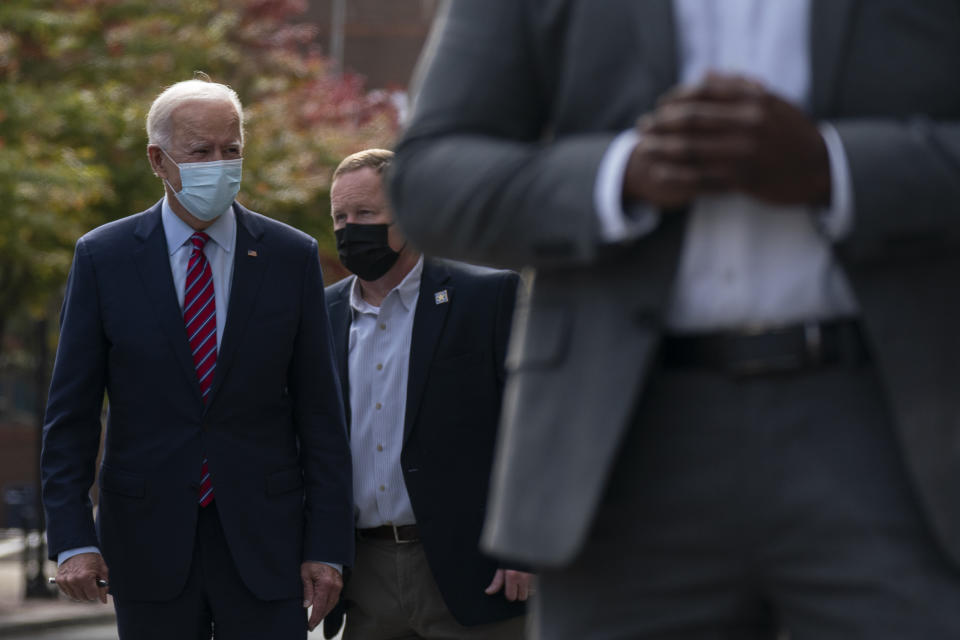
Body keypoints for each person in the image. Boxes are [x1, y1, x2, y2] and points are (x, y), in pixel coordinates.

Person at [390, 1, 960, 638]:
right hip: (615, 449)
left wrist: (835, 167)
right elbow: (428, 182)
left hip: (905, 435)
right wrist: (619, 177)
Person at [41, 77, 354, 640]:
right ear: (158, 160)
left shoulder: (290, 256)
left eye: (230, 150)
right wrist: (72, 538)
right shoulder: (103, 258)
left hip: (267, 544)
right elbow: (72, 416)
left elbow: (321, 415)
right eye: (200, 151)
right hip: (146, 542)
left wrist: (327, 546)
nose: (219, 164)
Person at [322, 149, 530, 640]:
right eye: (340, 217)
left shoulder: (488, 297)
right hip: (365, 577)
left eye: (366, 214)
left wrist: (527, 543)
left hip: (476, 572)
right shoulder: (321, 313)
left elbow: (533, 428)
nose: (351, 229)